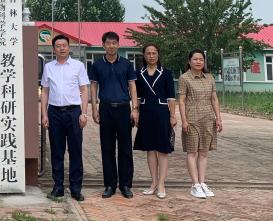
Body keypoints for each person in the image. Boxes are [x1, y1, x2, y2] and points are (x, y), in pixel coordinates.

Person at [89, 31, 138, 199]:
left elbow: (132, 86)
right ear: (103, 45)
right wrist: (94, 108)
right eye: (108, 43)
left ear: (118, 44)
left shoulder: (126, 64)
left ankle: (125, 185)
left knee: (125, 148)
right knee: (107, 148)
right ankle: (110, 185)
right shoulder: (97, 65)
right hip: (106, 108)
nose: (111, 46)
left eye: (114, 43)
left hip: (124, 108)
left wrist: (135, 108)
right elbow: (93, 87)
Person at [41, 34, 90, 201]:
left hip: (74, 112)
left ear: (69, 47)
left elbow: (84, 90)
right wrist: (44, 114)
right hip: (54, 112)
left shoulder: (78, 66)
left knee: (75, 150)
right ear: (53, 49)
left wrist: (84, 113)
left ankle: (76, 188)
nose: (61, 48)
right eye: (58, 46)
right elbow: (45, 91)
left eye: (64, 45)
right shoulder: (49, 67)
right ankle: (58, 187)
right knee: (57, 151)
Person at [134, 43, 177, 199]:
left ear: (158, 55)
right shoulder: (138, 73)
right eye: (148, 53)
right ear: (144, 55)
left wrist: (173, 115)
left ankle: (161, 184)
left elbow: (171, 97)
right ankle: (153, 182)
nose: (151, 56)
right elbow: (137, 96)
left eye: (154, 53)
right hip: (146, 113)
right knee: (150, 149)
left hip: (162, 113)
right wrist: (136, 111)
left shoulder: (166, 73)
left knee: (162, 149)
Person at [178, 49, 222, 199]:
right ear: (189, 61)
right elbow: (181, 101)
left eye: (201, 59)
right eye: (195, 59)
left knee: (203, 152)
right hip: (192, 119)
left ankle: (202, 183)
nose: (198, 62)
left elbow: (214, 98)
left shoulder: (209, 77)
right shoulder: (184, 78)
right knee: (192, 152)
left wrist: (218, 118)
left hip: (208, 119)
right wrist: (184, 120)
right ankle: (195, 185)